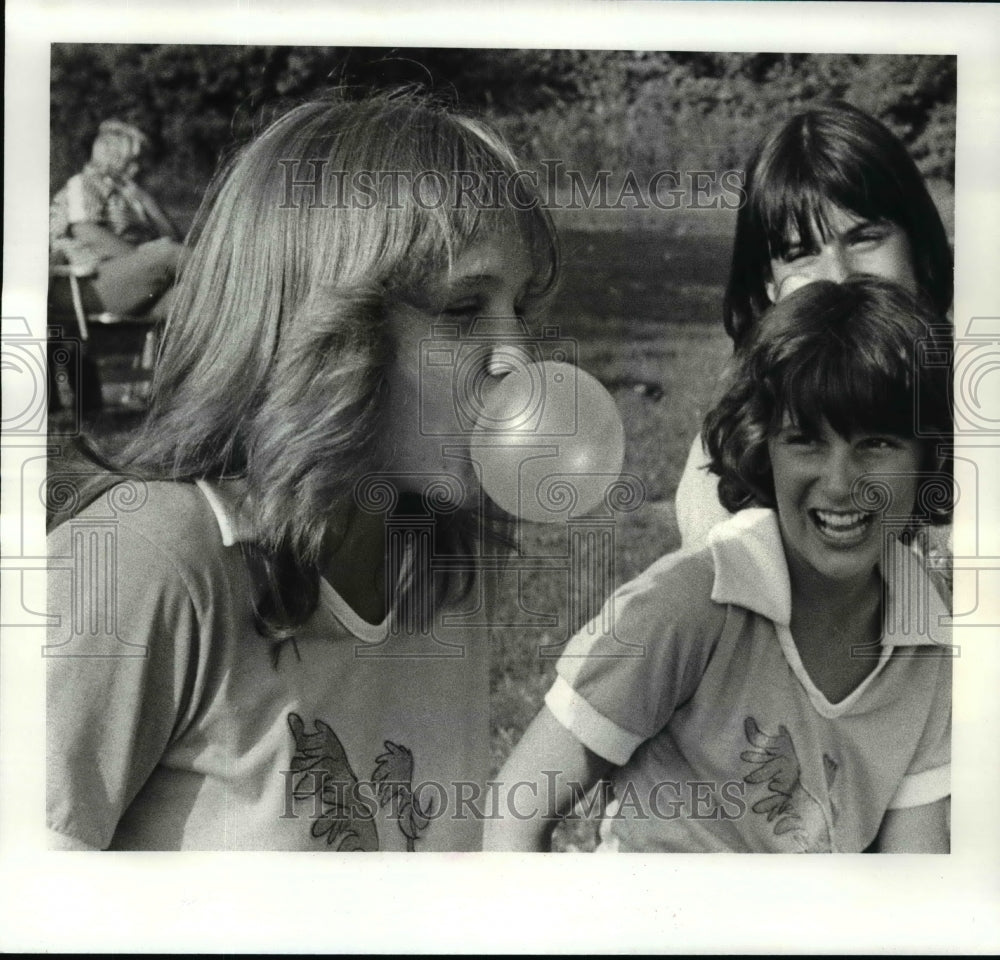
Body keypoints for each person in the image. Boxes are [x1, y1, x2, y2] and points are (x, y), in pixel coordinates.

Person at [46, 91, 558, 851]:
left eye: (522, 308)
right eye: (461, 310)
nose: (518, 359)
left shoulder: (444, 564)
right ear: (320, 329)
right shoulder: (152, 562)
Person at [484, 277, 953, 853]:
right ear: (764, 447)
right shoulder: (686, 606)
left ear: (931, 455)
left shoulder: (932, 640)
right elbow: (515, 811)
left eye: (877, 443)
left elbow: (913, 878)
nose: (839, 483)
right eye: (804, 440)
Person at [675, 101, 953, 548]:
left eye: (865, 239)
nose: (839, 276)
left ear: (918, 250)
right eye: (801, 252)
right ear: (768, 282)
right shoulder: (733, 454)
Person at [49, 119, 186, 320]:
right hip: (87, 285)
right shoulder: (83, 184)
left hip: (128, 285)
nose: (138, 168)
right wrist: (143, 258)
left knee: (190, 295)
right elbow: (85, 231)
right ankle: (246, 278)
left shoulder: (129, 195)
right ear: (108, 157)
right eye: (132, 160)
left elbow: (174, 238)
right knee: (169, 255)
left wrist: (148, 202)